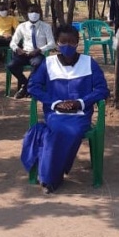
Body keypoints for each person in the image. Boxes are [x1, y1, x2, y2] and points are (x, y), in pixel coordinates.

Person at [20, 25, 109, 193]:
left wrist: (81, 102)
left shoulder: (89, 63)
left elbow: (102, 89)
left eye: (72, 42)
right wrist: (55, 103)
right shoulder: (48, 63)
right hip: (55, 112)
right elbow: (33, 87)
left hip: (80, 113)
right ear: (57, 43)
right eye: (63, 41)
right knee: (58, 130)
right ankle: (51, 177)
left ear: (78, 42)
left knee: (73, 131)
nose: (67, 45)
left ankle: (50, 176)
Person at [7, 4, 55, 99]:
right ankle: (26, 84)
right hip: (24, 53)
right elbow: (13, 42)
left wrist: (40, 49)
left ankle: (24, 88)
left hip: (37, 53)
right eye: (31, 12)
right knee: (11, 65)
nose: (34, 14)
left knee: (37, 64)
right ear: (27, 14)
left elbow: (52, 43)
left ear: (40, 14)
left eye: (36, 12)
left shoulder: (46, 26)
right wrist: (17, 49)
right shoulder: (22, 26)